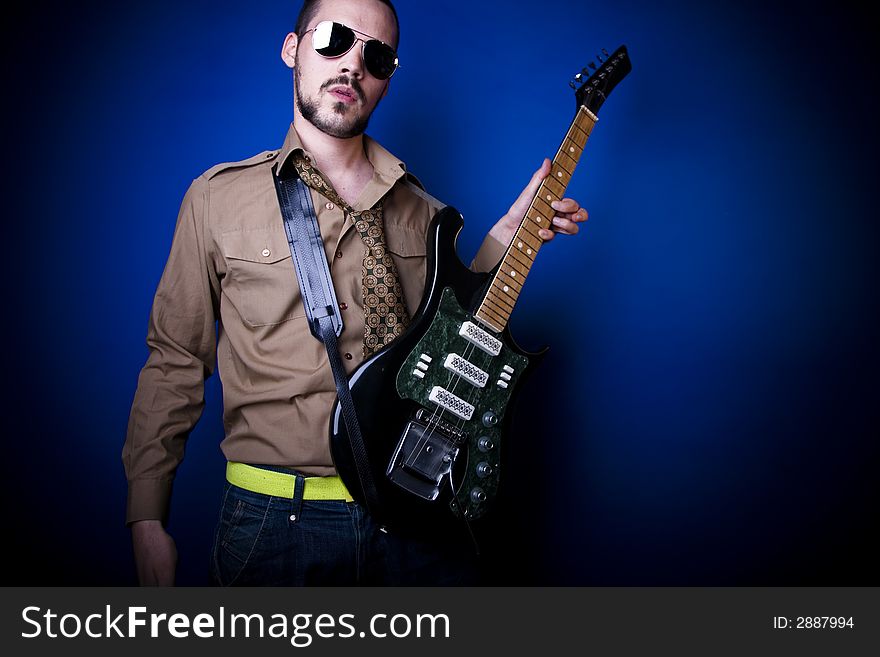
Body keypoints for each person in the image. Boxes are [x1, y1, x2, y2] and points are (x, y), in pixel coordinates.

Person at [123, 0, 588, 586]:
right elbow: (175, 362)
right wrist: (146, 518)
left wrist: (512, 232)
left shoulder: (427, 213)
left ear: (389, 78)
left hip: (416, 516)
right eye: (335, 39)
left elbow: (456, 329)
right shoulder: (215, 200)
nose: (352, 64)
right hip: (274, 522)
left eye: (377, 54)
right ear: (293, 49)